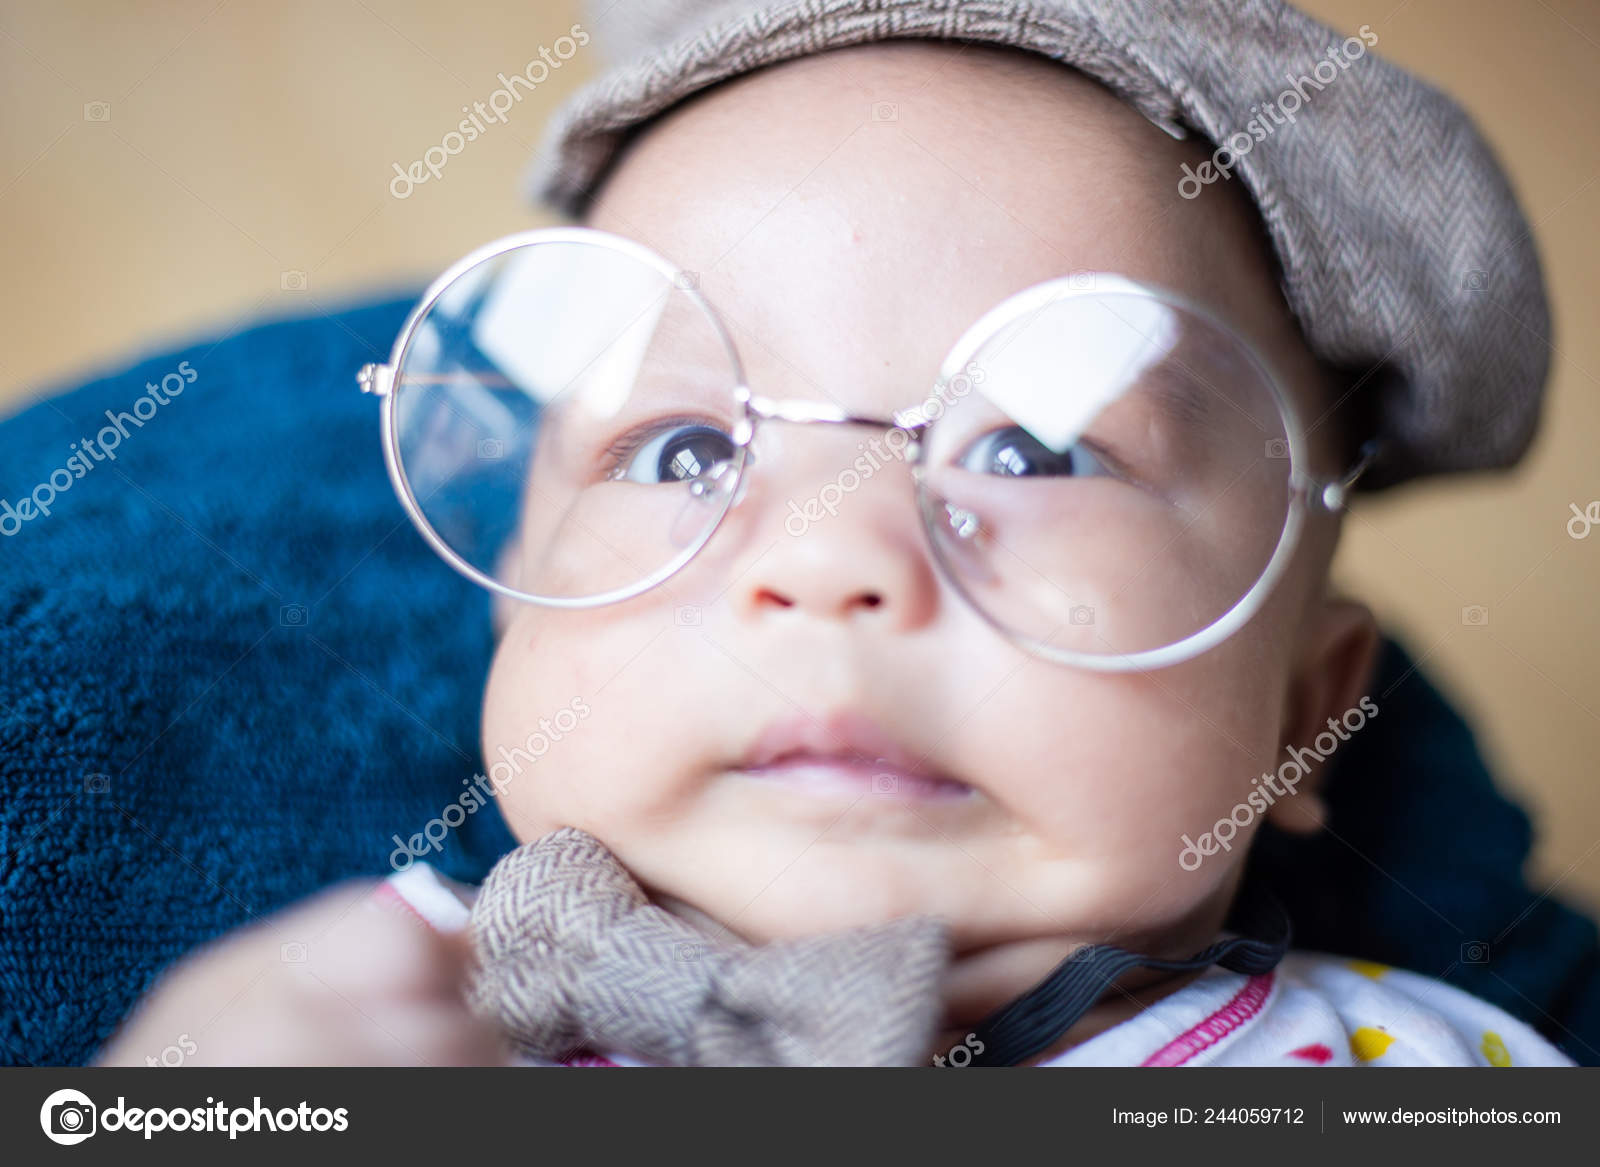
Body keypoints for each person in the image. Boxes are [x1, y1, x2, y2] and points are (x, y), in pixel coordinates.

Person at [96, 1, 1572, 1067]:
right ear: (515, 609)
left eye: (1033, 453)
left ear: (1307, 715)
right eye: (684, 452)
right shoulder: (373, 1014)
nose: (824, 560)